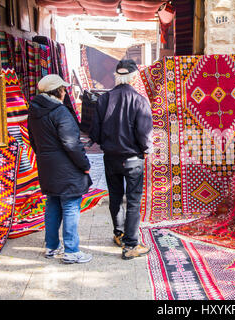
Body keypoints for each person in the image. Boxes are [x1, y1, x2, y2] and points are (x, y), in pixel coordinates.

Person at [89, 59, 153, 260]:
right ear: (134, 77)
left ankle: (119, 234)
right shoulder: (140, 100)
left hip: (110, 157)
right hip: (132, 158)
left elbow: (94, 133)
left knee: (116, 196)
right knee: (133, 200)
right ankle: (131, 245)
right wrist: (147, 150)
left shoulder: (103, 100)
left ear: (118, 76)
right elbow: (145, 133)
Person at [28, 74, 93, 264]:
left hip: (47, 165)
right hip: (66, 167)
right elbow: (71, 144)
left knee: (53, 204)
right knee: (71, 205)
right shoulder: (60, 112)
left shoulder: (34, 110)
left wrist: (46, 157)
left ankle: (51, 247)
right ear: (58, 91)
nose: (65, 91)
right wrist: (84, 165)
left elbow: (33, 140)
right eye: (63, 89)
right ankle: (71, 250)